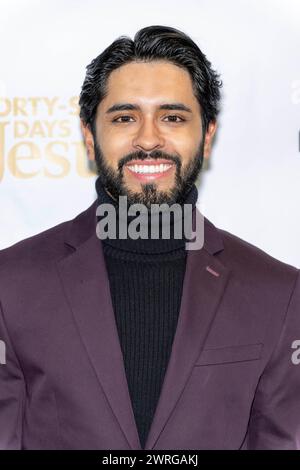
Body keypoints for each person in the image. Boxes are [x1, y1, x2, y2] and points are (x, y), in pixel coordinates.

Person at [0, 25, 299, 450]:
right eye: (124, 117)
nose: (148, 139)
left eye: (172, 117)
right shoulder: (10, 284)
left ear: (207, 136)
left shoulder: (278, 292)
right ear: (89, 135)